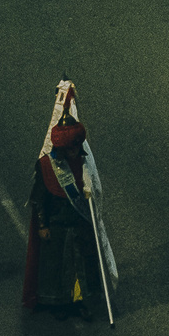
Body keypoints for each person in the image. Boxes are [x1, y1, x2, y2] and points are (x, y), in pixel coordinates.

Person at [24, 119, 108, 318]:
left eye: (76, 147)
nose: (73, 151)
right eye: (70, 148)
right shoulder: (46, 165)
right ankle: (58, 303)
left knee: (84, 270)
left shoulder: (86, 164)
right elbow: (39, 198)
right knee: (57, 267)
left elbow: (95, 190)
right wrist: (42, 224)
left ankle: (83, 302)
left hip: (80, 224)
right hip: (57, 225)